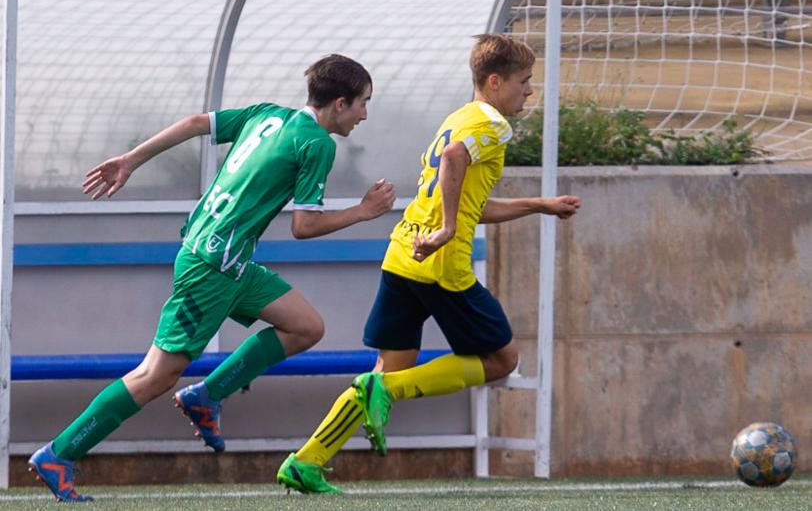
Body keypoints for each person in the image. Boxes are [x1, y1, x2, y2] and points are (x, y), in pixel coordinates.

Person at [27, 54, 396, 502]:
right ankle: (60, 454)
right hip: (211, 268)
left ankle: (206, 395)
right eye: (362, 103)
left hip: (228, 262)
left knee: (305, 327)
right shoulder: (317, 144)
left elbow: (195, 121)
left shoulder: (267, 115)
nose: (364, 114)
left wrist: (132, 158)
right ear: (339, 104)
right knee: (156, 375)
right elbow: (305, 227)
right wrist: (364, 211)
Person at [275, 34, 581, 494]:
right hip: (441, 262)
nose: (529, 91)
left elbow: (464, 192)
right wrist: (449, 229)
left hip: (403, 254)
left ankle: (307, 461)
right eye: (524, 81)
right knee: (501, 359)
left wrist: (540, 205)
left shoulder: (456, 118)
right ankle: (388, 395)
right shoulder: (493, 124)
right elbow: (456, 164)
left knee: (388, 369)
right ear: (495, 82)